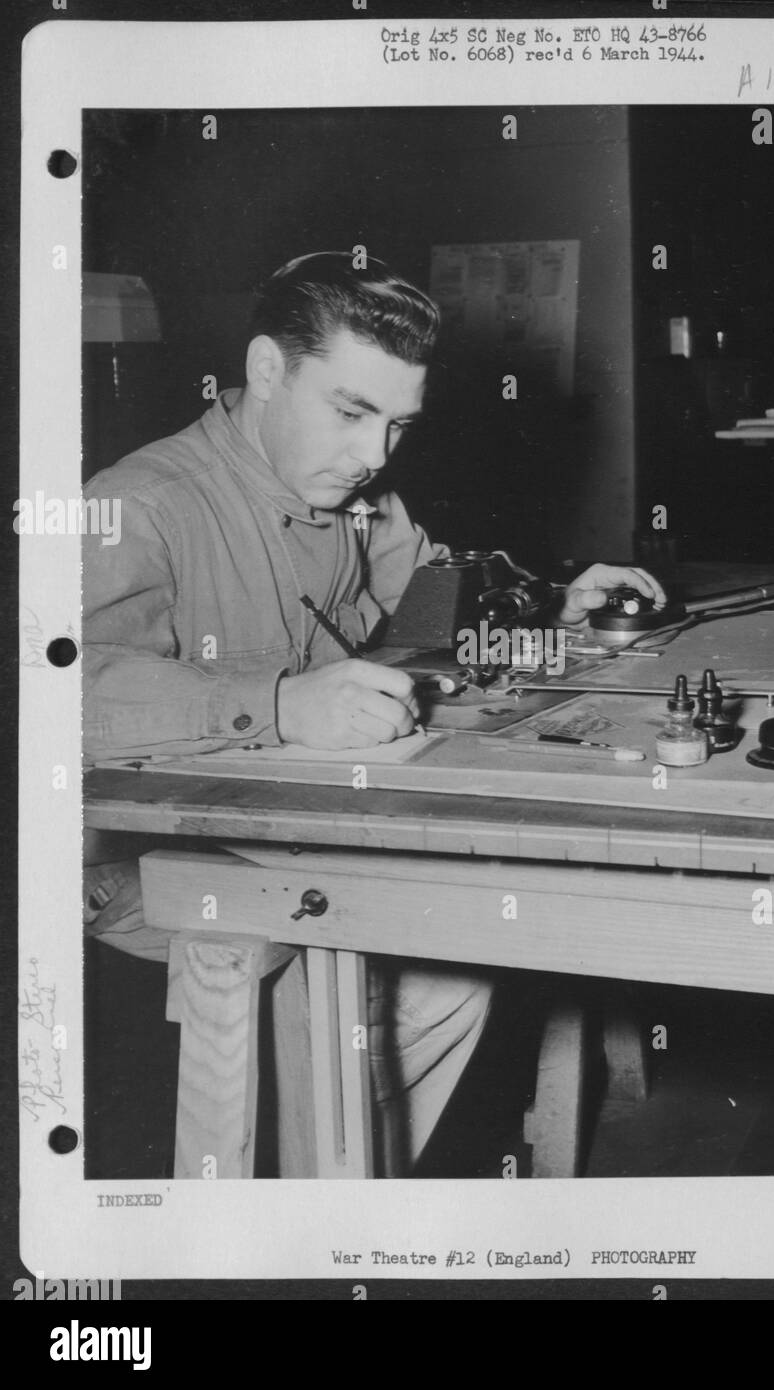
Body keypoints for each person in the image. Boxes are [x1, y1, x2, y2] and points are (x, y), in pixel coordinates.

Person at [83, 251, 666, 1173]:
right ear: (267, 369)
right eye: (350, 412)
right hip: (139, 861)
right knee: (436, 964)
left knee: (453, 967)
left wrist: (551, 606)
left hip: (293, 826)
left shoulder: (363, 503)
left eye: (396, 424)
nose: (372, 455)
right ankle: (316, 1194)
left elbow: (442, 591)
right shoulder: (140, 506)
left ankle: (335, 1187)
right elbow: (49, 694)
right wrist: (274, 704)